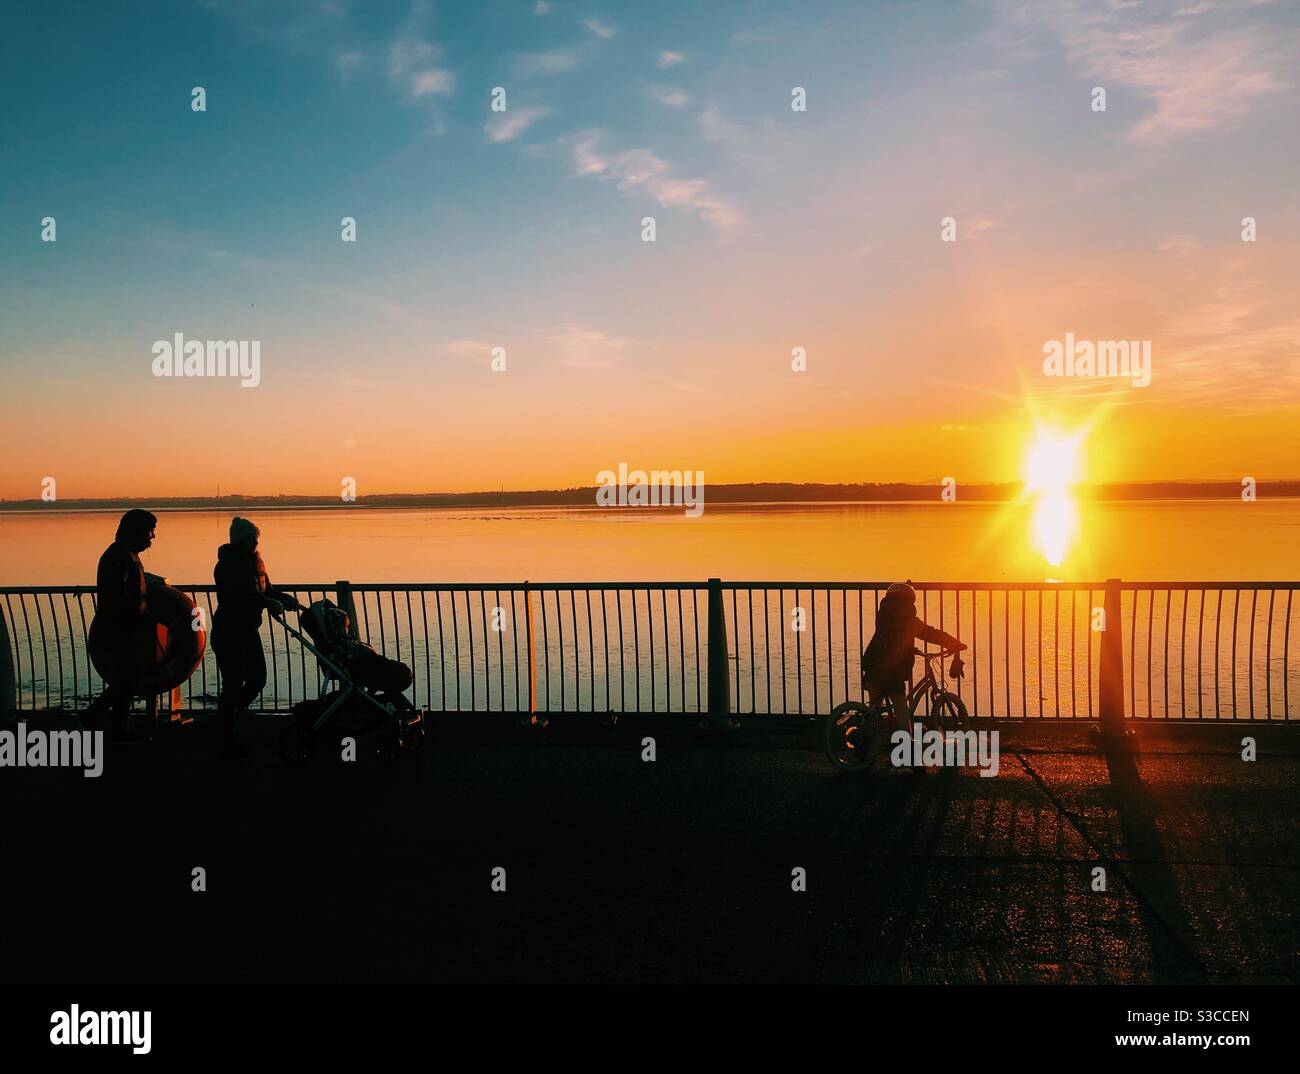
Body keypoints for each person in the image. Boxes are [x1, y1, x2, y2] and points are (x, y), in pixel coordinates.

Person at [211, 517, 300, 755]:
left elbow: (266, 589)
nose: (256, 543)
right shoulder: (227, 565)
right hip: (229, 631)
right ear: (240, 540)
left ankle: (226, 719)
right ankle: (225, 730)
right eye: (252, 539)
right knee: (233, 682)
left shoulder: (256, 562)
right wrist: (266, 601)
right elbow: (233, 598)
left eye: (256, 539)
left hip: (248, 630)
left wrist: (283, 598)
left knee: (257, 677)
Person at [861, 581, 966, 770]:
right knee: (902, 712)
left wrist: (909, 647)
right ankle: (910, 758)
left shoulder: (883, 615)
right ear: (909, 602)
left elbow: (891, 637)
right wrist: (953, 642)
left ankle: (866, 752)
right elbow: (928, 633)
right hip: (891, 671)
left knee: (875, 711)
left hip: (872, 665)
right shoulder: (907, 618)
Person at [85, 509, 158, 739]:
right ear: (136, 531)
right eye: (150, 531)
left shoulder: (124, 555)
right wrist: (134, 616)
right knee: (127, 679)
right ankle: (95, 718)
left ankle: (118, 728)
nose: (152, 537)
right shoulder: (119, 557)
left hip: (123, 627)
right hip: (120, 628)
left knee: (126, 680)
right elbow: (118, 594)